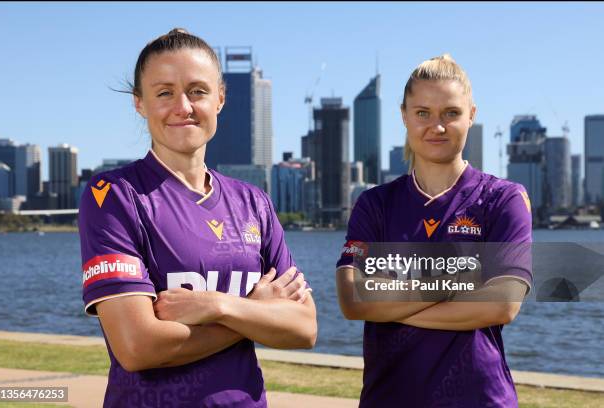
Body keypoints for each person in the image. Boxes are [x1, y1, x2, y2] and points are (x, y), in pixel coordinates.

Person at [79, 28, 317, 407]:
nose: (183, 106)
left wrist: (218, 306)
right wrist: (254, 310)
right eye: (164, 93)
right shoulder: (113, 196)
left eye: (197, 91)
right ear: (139, 103)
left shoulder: (254, 202)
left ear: (220, 98)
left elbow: (304, 328)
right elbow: (138, 347)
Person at [336, 54, 532, 407]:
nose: (436, 127)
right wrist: (466, 280)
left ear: (471, 114)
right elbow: (353, 299)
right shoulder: (375, 204)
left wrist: (392, 302)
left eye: (451, 113)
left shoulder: (504, 199)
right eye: (423, 113)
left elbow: (503, 304)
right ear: (404, 116)